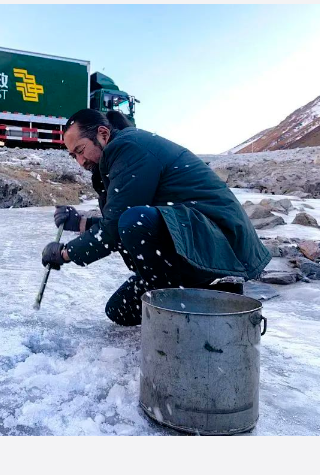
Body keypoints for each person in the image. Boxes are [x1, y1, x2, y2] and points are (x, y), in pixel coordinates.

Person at [41, 109, 271, 326]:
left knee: (134, 221)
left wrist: (66, 253)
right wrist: (81, 223)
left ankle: (188, 297)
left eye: (80, 150)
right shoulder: (122, 150)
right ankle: (194, 294)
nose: (80, 162)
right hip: (194, 238)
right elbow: (118, 220)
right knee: (119, 310)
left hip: (222, 241)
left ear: (102, 133)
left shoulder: (129, 147)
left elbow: (118, 225)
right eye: (74, 156)